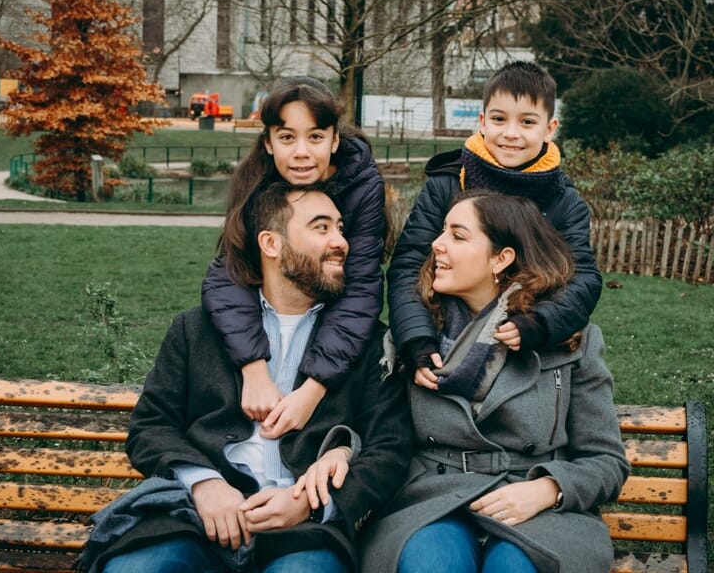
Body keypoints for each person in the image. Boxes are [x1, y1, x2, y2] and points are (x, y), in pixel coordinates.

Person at [78, 182, 411, 573]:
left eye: (340, 228)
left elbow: (389, 449)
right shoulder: (196, 330)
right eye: (322, 228)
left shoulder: (366, 342)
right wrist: (205, 484)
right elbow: (151, 426)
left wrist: (312, 503)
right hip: (194, 518)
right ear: (271, 244)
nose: (341, 242)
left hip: (303, 532)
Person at [360, 191, 629, 573]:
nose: (436, 244)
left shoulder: (567, 339)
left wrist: (548, 489)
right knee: (434, 565)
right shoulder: (414, 337)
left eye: (458, 235)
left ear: (501, 259)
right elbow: (379, 435)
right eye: (441, 231)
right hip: (431, 499)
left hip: (534, 501)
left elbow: (607, 461)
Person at [388, 61, 601, 383]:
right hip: (446, 333)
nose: (511, 133)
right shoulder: (447, 184)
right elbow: (408, 265)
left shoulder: (563, 201)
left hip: (526, 342)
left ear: (549, 128)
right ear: (483, 122)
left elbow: (583, 278)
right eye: (500, 119)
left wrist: (542, 321)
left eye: (527, 122)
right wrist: (416, 336)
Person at [202, 76, 387, 440]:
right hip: (275, 310)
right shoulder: (255, 180)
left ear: (335, 139)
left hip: (328, 313)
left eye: (315, 137)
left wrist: (313, 389)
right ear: (269, 142)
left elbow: (361, 287)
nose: (301, 152)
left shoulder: (363, 186)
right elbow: (229, 272)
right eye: (287, 137)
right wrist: (253, 370)